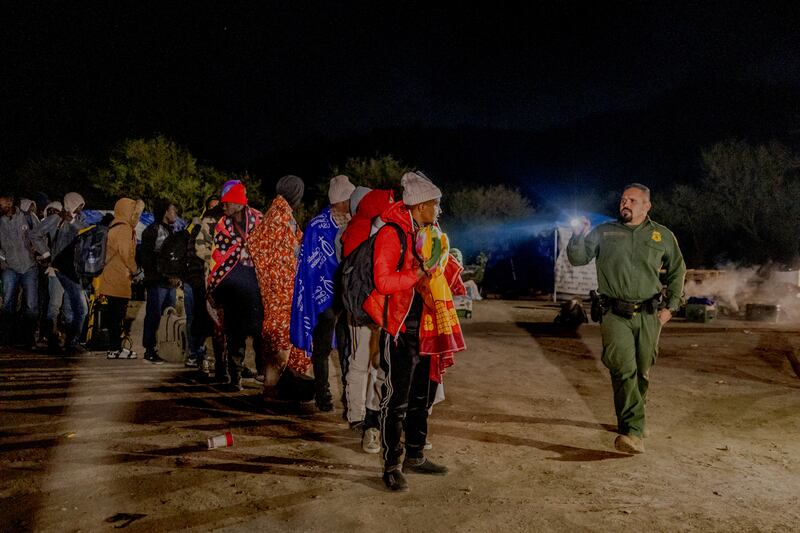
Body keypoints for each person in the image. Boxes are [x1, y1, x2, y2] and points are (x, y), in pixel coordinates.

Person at [567, 183, 685, 454]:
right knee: (623, 369)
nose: (626, 204)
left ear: (646, 206)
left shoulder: (661, 235)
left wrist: (671, 307)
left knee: (642, 370)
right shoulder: (605, 232)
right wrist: (577, 236)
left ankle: (633, 418)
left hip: (649, 315)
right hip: (614, 314)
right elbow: (578, 258)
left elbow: (678, 270)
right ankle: (632, 431)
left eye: (633, 200)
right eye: (623, 199)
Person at [364, 171, 463, 492]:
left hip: (428, 327)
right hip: (402, 329)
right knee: (398, 399)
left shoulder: (428, 232)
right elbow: (383, 282)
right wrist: (419, 270)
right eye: (435, 205)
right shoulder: (391, 234)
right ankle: (392, 464)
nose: (439, 211)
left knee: (425, 394)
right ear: (420, 206)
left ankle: (416, 455)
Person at [290, 174, 355, 411]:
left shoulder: (354, 222)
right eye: (348, 198)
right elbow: (309, 266)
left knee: (348, 349)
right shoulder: (317, 226)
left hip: (346, 298)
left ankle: (350, 397)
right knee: (323, 349)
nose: (351, 202)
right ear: (337, 200)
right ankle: (323, 396)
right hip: (323, 299)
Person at [340, 186, 395, 453]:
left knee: (359, 360)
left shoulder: (353, 229)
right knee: (376, 363)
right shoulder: (384, 225)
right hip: (379, 304)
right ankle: (372, 415)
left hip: (358, 307)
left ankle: (356, 415)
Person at [249, 175, 310, 393]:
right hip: (283, 294)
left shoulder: (274, 214)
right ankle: (271, 391)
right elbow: (288, 258)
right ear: (296, 195)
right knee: (281, 346)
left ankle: (273, 390)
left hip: (273, 293)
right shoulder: (282, 219)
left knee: (278, 344)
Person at [207, 181, 263, 391]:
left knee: (260, 332)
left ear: (237, 202)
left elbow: (267, 247)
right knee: (234, 332)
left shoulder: (259, 219)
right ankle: (235, 377)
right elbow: (218, 254)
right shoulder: (222, 224)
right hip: (232, 286)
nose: (223, 207)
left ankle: (263, 372)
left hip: (256, 286)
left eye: (226, 203)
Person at [30, 192, 90, 355]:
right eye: (79, 205)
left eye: (81, 206)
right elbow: (34, 234)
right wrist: (46, 254)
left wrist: (72, 221)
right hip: (57, 271)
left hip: (74, 271)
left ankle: (71, 343)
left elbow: (87, 235)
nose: (80, 208)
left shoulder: (80, 220)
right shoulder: (56, 219)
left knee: (74, 310)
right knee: (54, 308)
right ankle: (53, 341)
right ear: (72, 203)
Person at [98, 198, 145, 359]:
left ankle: (115, 348)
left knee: (114, 315)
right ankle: (115, 349)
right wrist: (136, 271)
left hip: (111, 276)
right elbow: (127, 254)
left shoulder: (115, 225)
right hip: (118, 278)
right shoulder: (124, 228)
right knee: (117, 316)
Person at [139, 201, 179, 364]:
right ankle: (149, 350)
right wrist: (164, 276)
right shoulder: (154, 231)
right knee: (154, 316)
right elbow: (150, 259)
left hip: (169, 283)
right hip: (158, 282)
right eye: (172, 210)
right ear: (165, 212)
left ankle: (164, 348)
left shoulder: (169, 231)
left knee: (168, 317)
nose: (175, 214)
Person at [0, 193, 40, 348]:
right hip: (10, 267)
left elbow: (39, 236)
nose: (1, 207)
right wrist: (3, 260)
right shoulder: (1, 221)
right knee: (8, 303)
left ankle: (29, 338)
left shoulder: (28, 217)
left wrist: (39, 252)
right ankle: (6, 338)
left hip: (29, 266)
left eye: (2, 204)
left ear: (10, 202)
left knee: (31, 304)